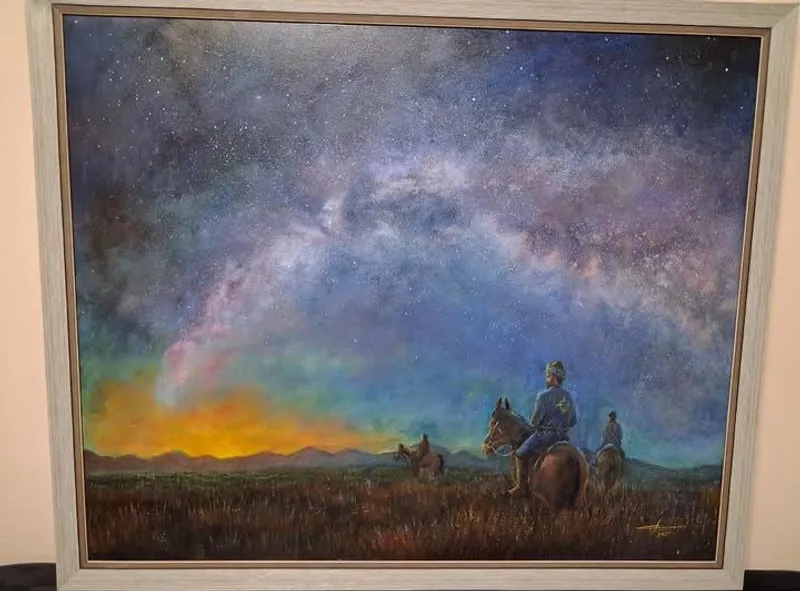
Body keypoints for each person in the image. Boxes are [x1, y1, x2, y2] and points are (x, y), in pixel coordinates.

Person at [509, 360, 577, 496]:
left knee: (520, 454)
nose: (546, 378)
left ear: (553, 376)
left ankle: (521, 486)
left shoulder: (543, 396)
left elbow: (534, 422)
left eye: (547, 375)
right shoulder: (569, 397)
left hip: (545, 437)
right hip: (563, 438)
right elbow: (573, 421)